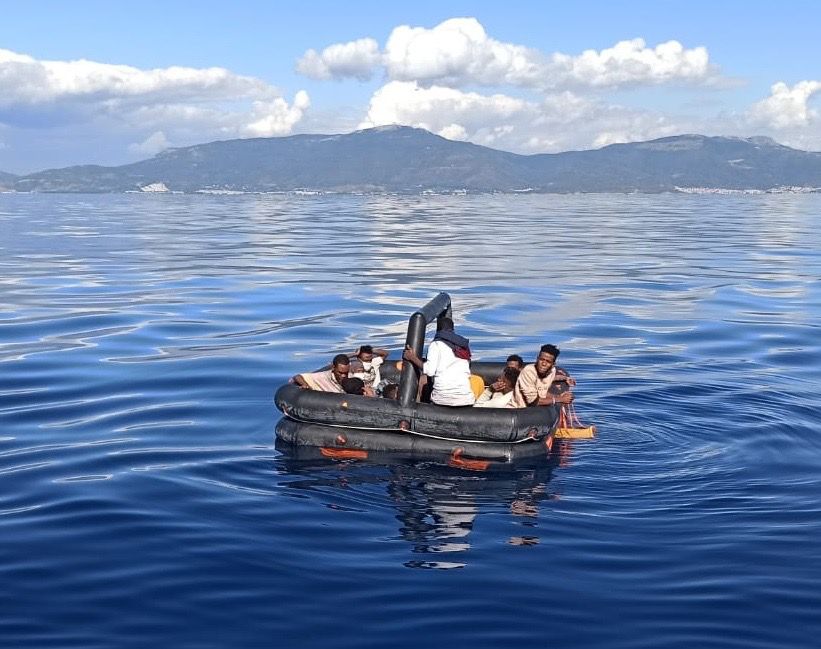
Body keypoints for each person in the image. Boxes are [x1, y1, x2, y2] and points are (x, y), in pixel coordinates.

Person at [402, 317, 475, 406]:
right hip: (466, 399)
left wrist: (412, 357)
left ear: (437, 329)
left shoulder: (436, 345)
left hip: (442, 399)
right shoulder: (463, 346)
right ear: (453, 329)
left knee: (425, 382)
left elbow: (429, 371)